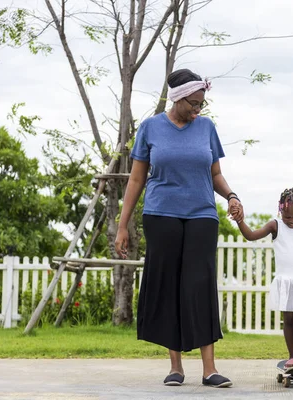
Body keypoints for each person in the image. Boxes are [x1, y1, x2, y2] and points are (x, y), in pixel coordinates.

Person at [114, 68, 243, 388]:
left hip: (202, 215)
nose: (198, 109)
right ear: (177, 98)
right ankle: (175, 367)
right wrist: (122, 225)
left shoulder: (207, 128)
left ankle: (210, 369)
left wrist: (231, 195)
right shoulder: (150, 128)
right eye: (193, 103)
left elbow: (215, 174)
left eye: (202, 103)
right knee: (170, 285)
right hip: (161, 215)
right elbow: (136, 179)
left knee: (199, 285)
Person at [233, 188, 293, 367]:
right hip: (285, 281)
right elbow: (251, 235)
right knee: (288, 319)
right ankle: (292, 356)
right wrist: (240, 221)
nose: (292, 222)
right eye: (288, 217)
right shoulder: (275, 225)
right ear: (281, 210)